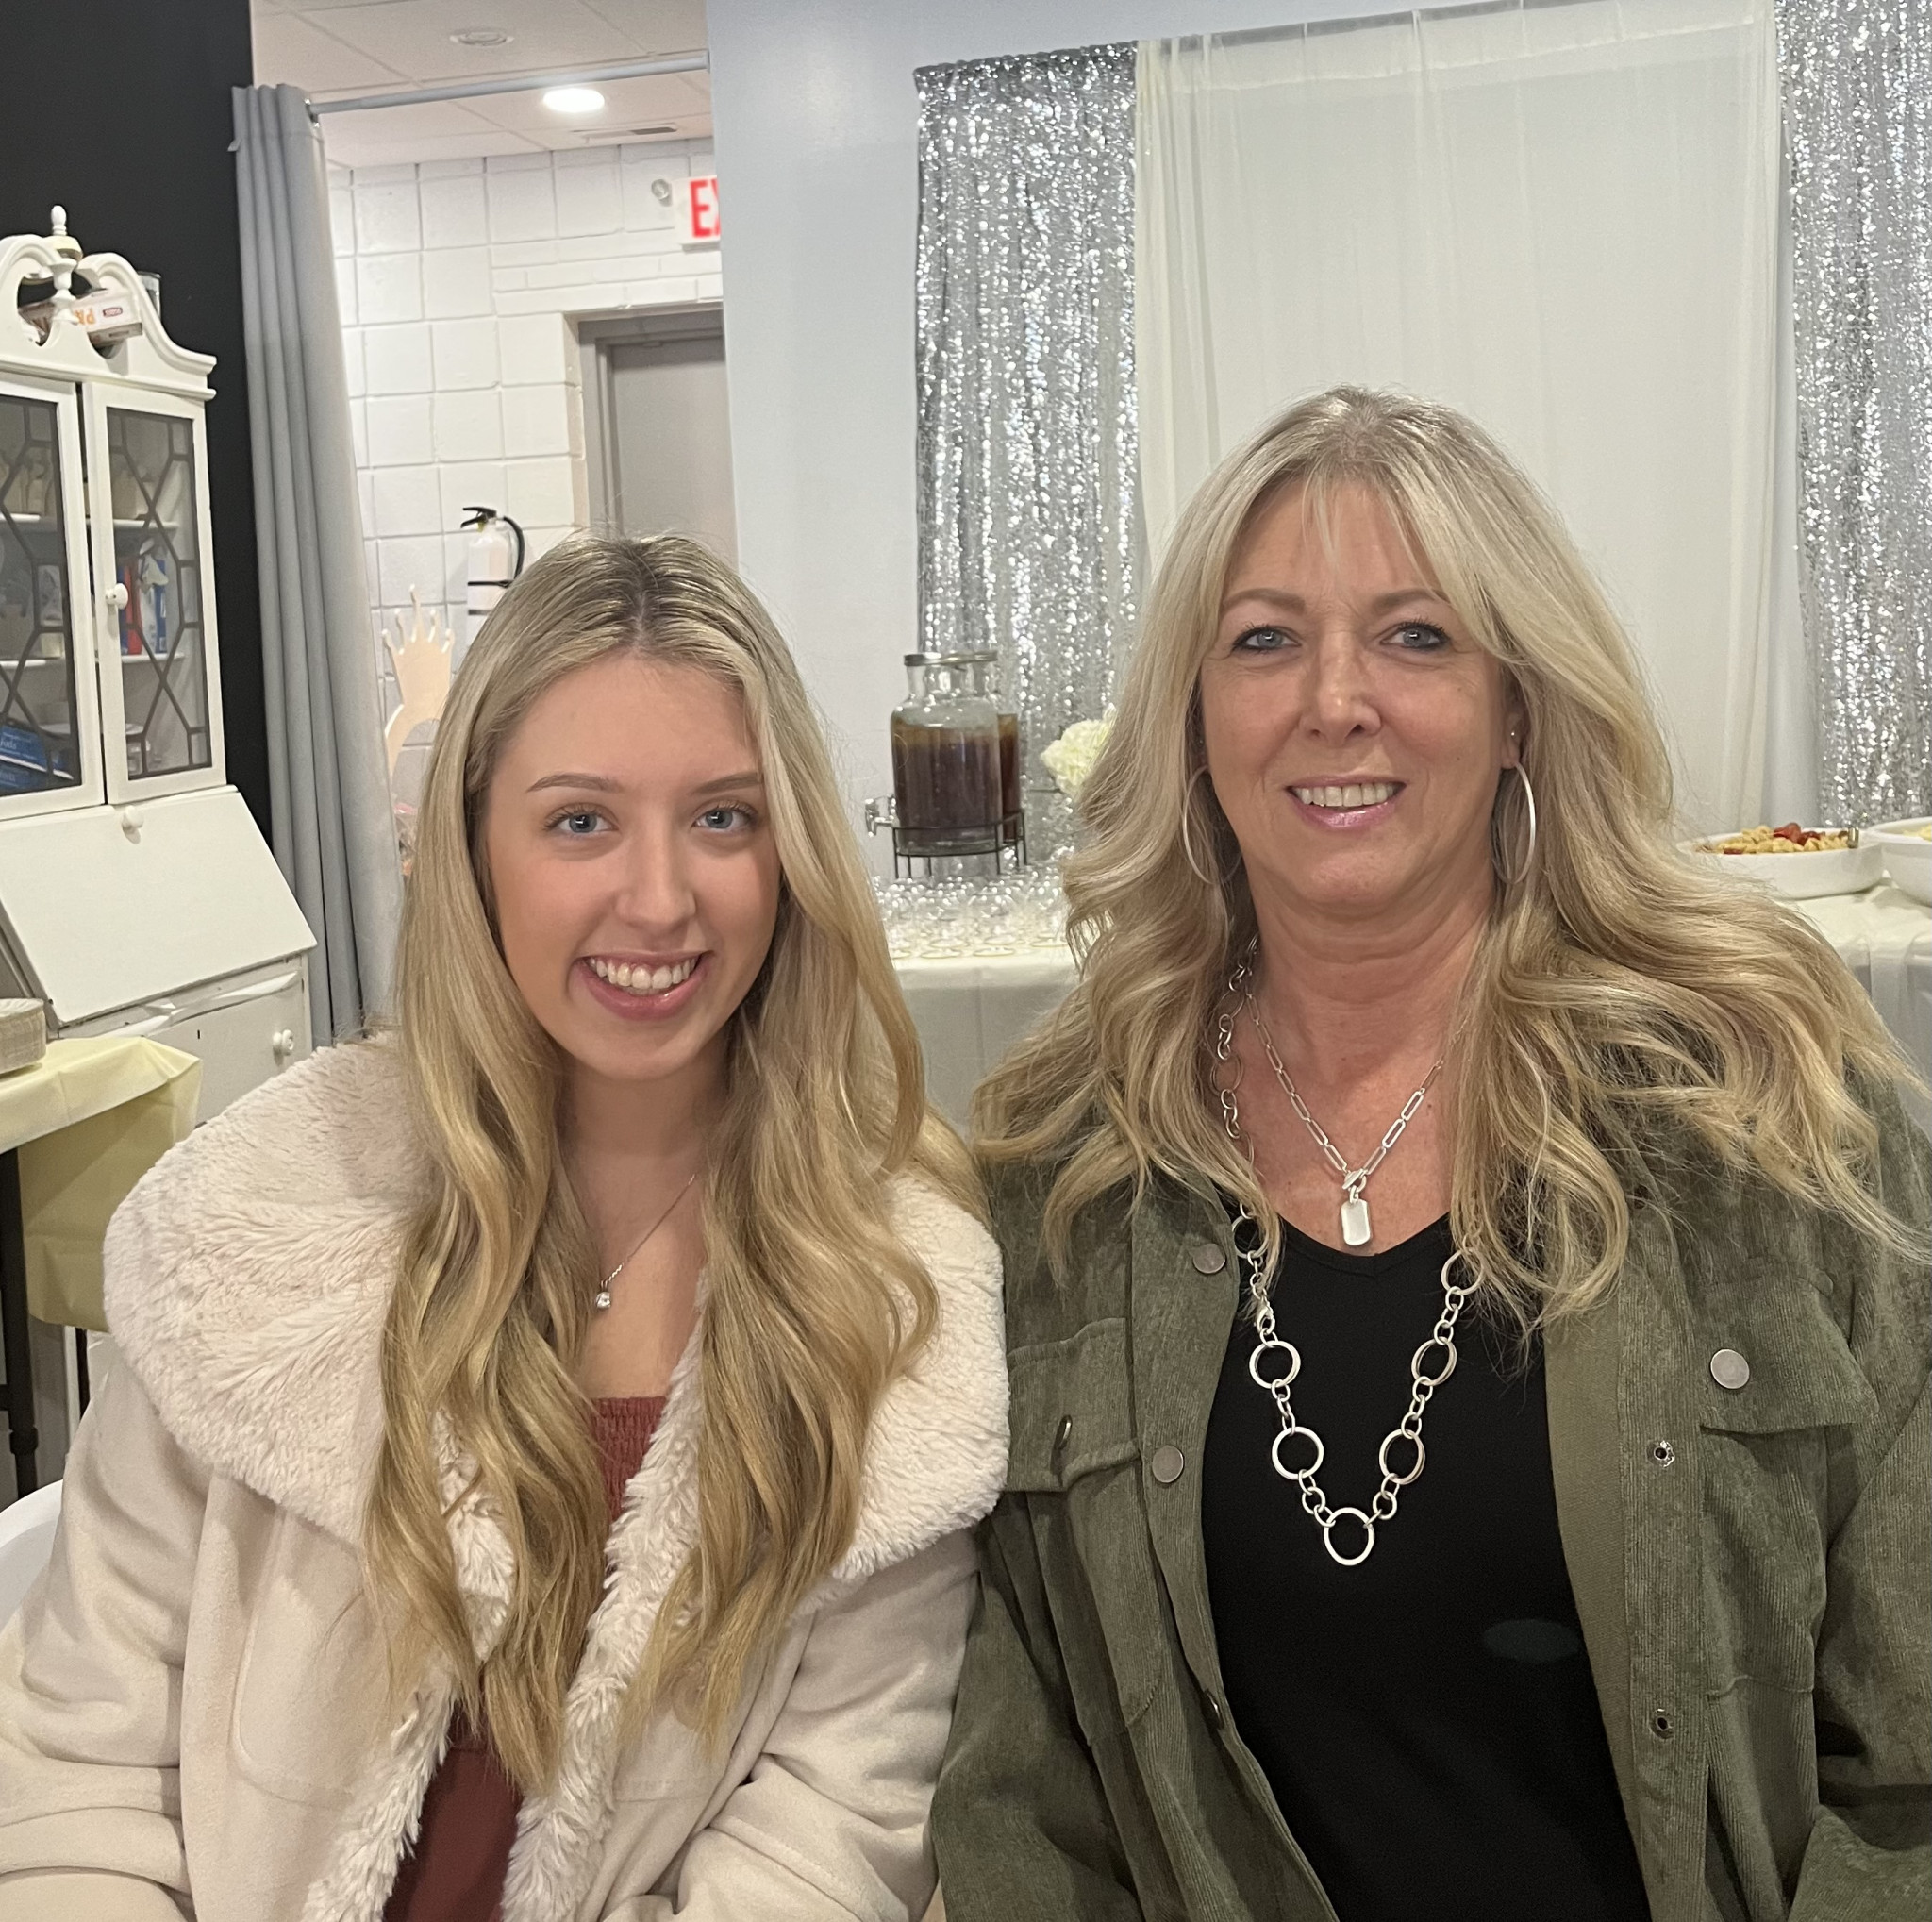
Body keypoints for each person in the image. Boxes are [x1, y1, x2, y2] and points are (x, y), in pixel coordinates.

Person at [931, 387, 1929, 1921]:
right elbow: (1024, 1806)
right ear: (1194, 716)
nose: (1337, 700)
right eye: (1265, 639)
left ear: (1518, 704)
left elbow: (1910, 1777)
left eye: (1416, 635)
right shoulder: (1065, 1176)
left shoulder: (1768, 1114)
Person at [0, 535, 1007, 1921]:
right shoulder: (246, 1233)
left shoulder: (895, 1297)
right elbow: (75, 1776)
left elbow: (828, 1847)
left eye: (723, 818)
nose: (658, 899)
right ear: (470, 848)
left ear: (794, 856)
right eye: (580, 822)